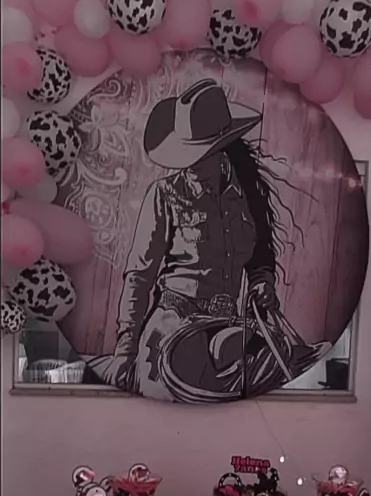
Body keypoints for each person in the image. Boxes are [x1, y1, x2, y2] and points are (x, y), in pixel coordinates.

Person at [89, 78, 324, 400]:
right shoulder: (164, 195)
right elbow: (139, 276)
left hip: (229, 326)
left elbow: (260, 254)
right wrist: (125, 349)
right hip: (173, 322)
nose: (189, 163)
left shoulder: (248, 192)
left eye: (199, 154)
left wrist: (262, 281)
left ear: (219, 149)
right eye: (185, 153)